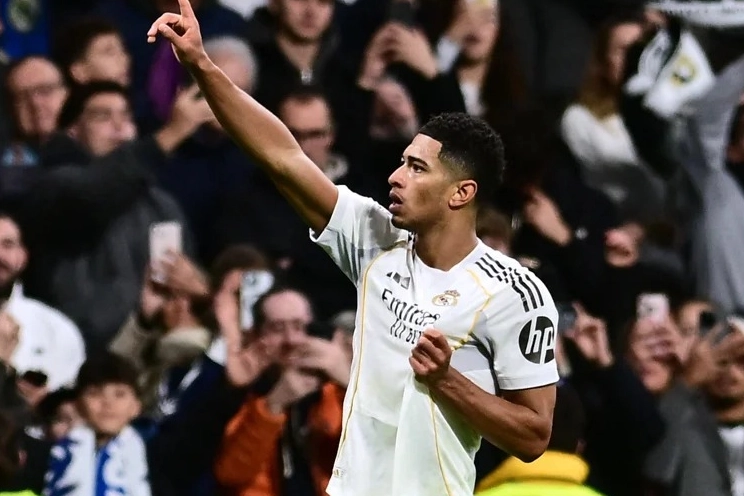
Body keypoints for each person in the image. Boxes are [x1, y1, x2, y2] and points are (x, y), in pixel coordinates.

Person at [146, 2, 559, 495]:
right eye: (402, 161)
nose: (396, 176)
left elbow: (533, 435)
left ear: (461, 193)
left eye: (417, 168)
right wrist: (202, 65)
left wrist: (447, 380)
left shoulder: (513, 293)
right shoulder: (375, 240)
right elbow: (282, 156)